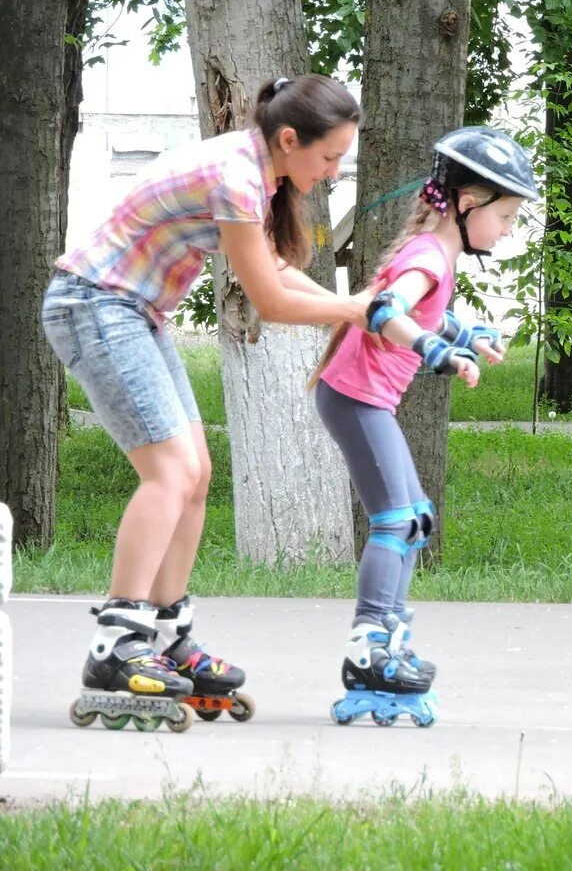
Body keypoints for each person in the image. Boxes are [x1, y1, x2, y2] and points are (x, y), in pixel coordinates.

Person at [47, 74, 367, 730]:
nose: (333, 171)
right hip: (96, 305)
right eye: (330, 157)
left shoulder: (259, 172)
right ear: (288, 139)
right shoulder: (236, 176)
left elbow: (275, 274)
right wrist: (357, 311)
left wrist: (352, 310)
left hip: (133, 312)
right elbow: (273, 304)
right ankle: (115, 645)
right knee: (170, 474)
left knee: (196, 476)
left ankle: (165, 637)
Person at [312, 127, 538, 726]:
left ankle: (389, 635)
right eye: (508, 214)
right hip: (356, 399)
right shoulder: (429, 254)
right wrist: (439, 354)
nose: (509, 228)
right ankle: (368, 647)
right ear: (468, 204)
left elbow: (432, 309)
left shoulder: (438, 253)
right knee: (395, 519)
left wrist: (468, 335)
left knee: (417, 518)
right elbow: (386, 312)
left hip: (364, 400)